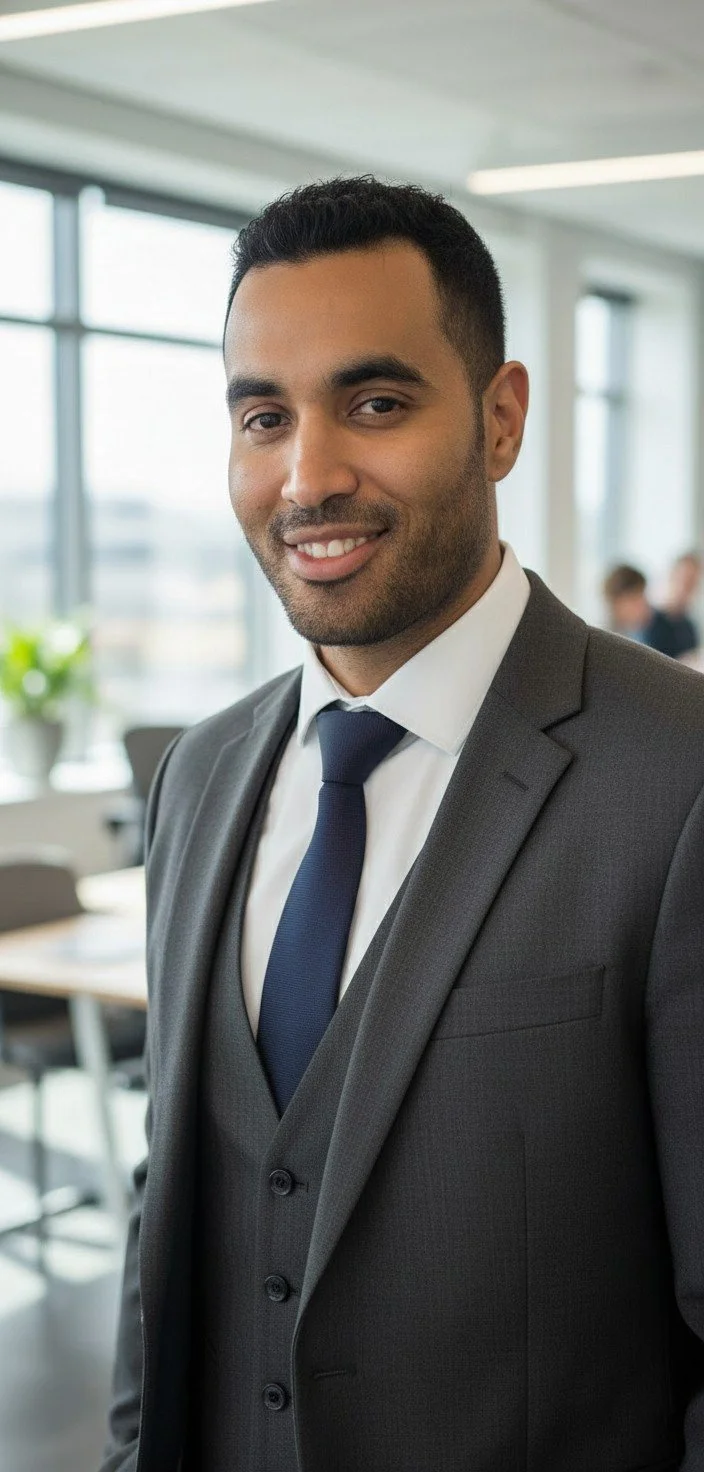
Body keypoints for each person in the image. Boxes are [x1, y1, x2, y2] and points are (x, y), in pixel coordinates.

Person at [103, 178, 704, 1472]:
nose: (308, 474)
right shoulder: (200, 780)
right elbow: (175, 1218)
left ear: (500, 419)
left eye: (375, 403)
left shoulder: (678, 777)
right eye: (264, 416)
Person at [603, 559, 699, 659]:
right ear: (617, 604)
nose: (644, 605)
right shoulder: (606, 642)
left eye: (642, 596)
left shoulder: (656, 627)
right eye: (635, 600)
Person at [660, 550, 702, 658]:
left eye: (692, 580)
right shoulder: (649, 619)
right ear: (672, 575)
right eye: (684, 578)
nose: (687, 585)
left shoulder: (689, 627)